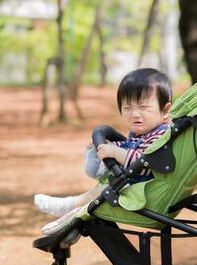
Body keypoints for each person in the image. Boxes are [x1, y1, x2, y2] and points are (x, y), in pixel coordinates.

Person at [34, 68, 172, 235]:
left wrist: (114, 151)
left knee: (101, 193)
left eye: (143, 107)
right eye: (127, 108)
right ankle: (72, 227)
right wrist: (108, 145)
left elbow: (145, 162)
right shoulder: (143, 132)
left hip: (146, 193)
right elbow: (133, 146)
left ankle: (67, 206)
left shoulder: (161, 135)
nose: (135, 114)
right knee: (101, 192)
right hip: (133, 185)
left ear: (165, 111)